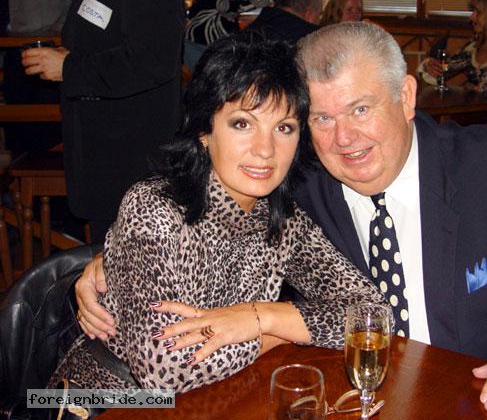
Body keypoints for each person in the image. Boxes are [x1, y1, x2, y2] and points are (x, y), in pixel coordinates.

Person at [76, 22, 487, 414]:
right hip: (344, 399)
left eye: (361, 109)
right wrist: (110, 259)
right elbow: (200, 200)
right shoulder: (299, 182)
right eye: (320, 118)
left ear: (407, 96)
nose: (344, 139)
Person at [52, 33, 384, 392]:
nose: (265, 149)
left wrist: (261, 316)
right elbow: (163, 372)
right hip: (106, 398)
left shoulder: (283, 221)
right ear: (204, 131)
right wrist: (275, 334)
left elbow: (371, 315)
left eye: (283, 128)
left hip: (217, 397)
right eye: (242, 124)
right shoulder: (155, 208)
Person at [21, 0, 185, 244]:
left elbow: (155, 58)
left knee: (129, 267)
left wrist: (69, 68)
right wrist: (66, 58)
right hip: (109, 161)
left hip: (130, 165)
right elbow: (111, 40)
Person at [0, 0, 92, 155]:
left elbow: (84, 7)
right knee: (21, 153)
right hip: (17, 68)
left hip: (52, 75)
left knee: (49, 153)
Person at [245, 0, 321, 44]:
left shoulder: (251, 30)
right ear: (309, 14)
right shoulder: (313, 38)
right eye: (318, 15)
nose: (319, 20)